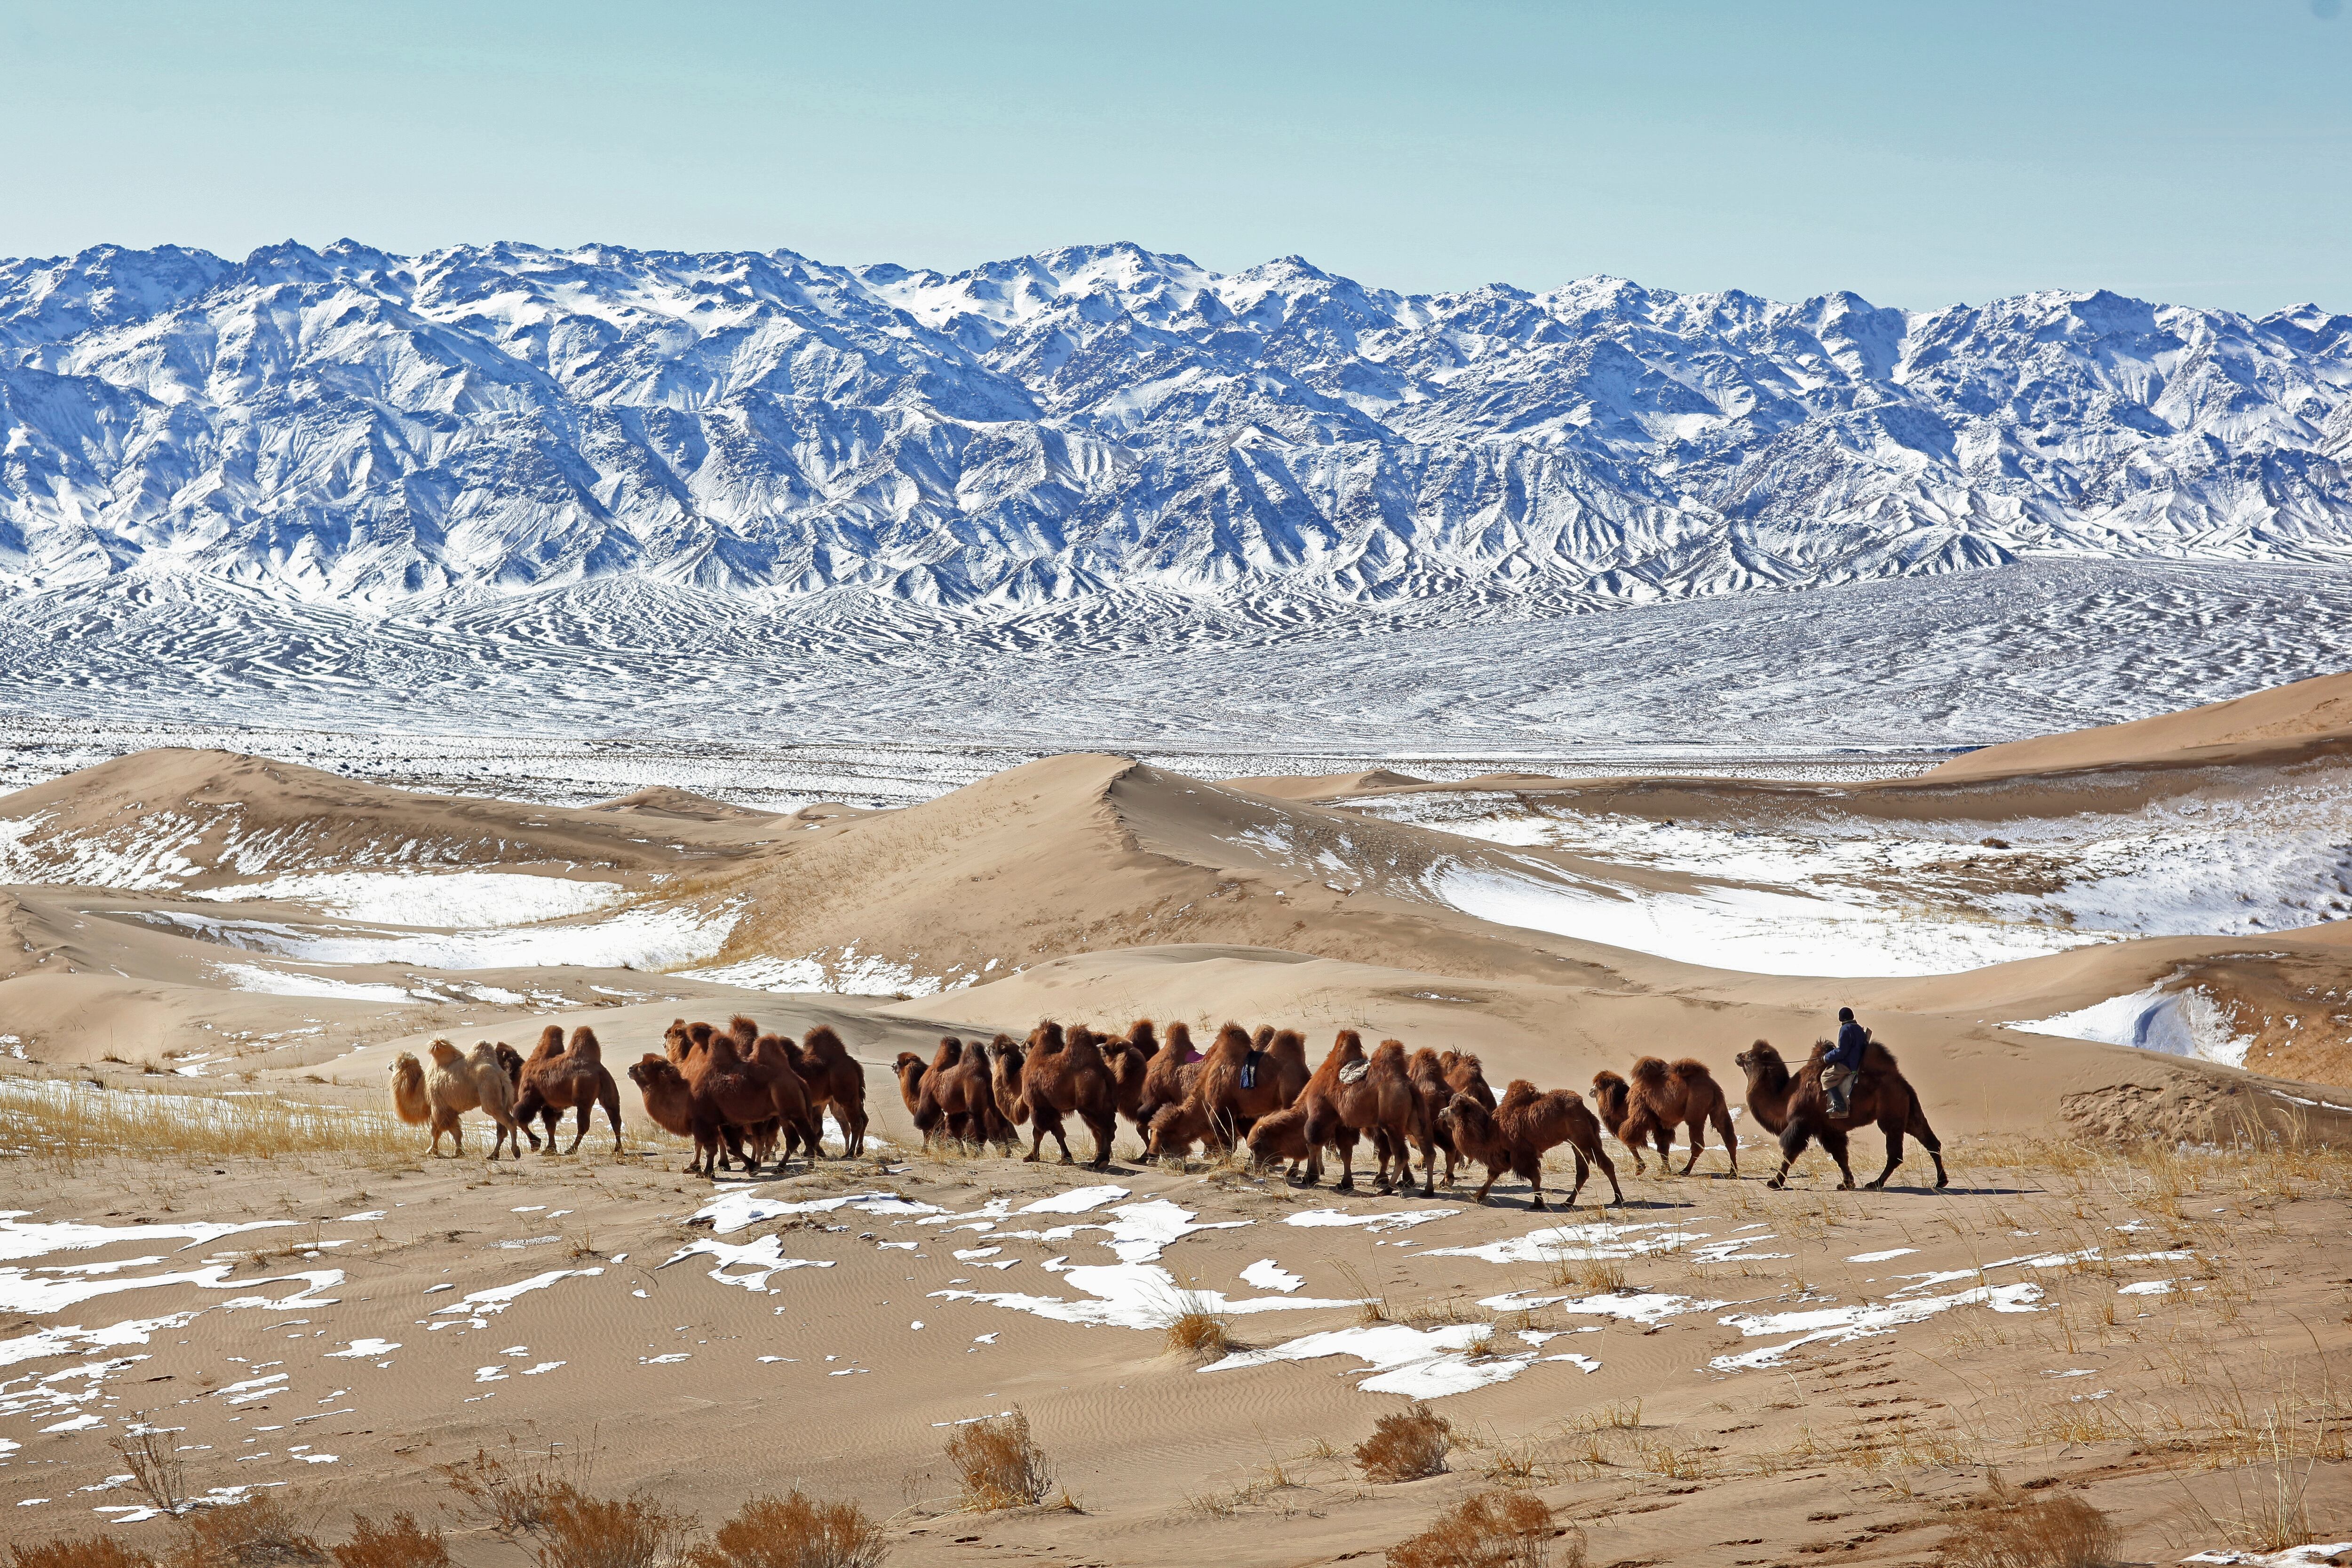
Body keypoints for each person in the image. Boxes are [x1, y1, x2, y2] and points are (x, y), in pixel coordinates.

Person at [1823, 1006, 1868, 1116]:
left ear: (1841, 1019)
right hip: (1858, 1061)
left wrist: (1827, 1058)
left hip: (1849, 1064)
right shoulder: (1858, 1028)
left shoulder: (1846, 1029)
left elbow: (1842, 1051)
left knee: (1826, 1077)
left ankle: (1839, 1104)